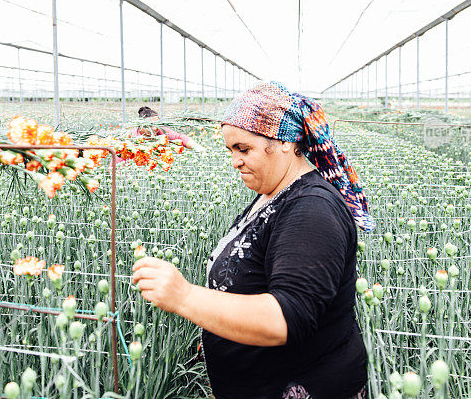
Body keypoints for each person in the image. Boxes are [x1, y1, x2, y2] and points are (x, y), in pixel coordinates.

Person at [132, 82, 374, 399]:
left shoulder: (312, 211)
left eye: (244, 149)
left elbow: (285, 317)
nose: (235, 161)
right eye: (231, 150)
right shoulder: (272, 191)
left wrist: (184, 297)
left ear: (285, 142)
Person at [126, 106, 205, 152]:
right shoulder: (131, 136)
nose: (155, 128)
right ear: (141, 125)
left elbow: (179, 138)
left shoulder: (161, 130)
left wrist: (197, 147)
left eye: (157, 124)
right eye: (151, 125)